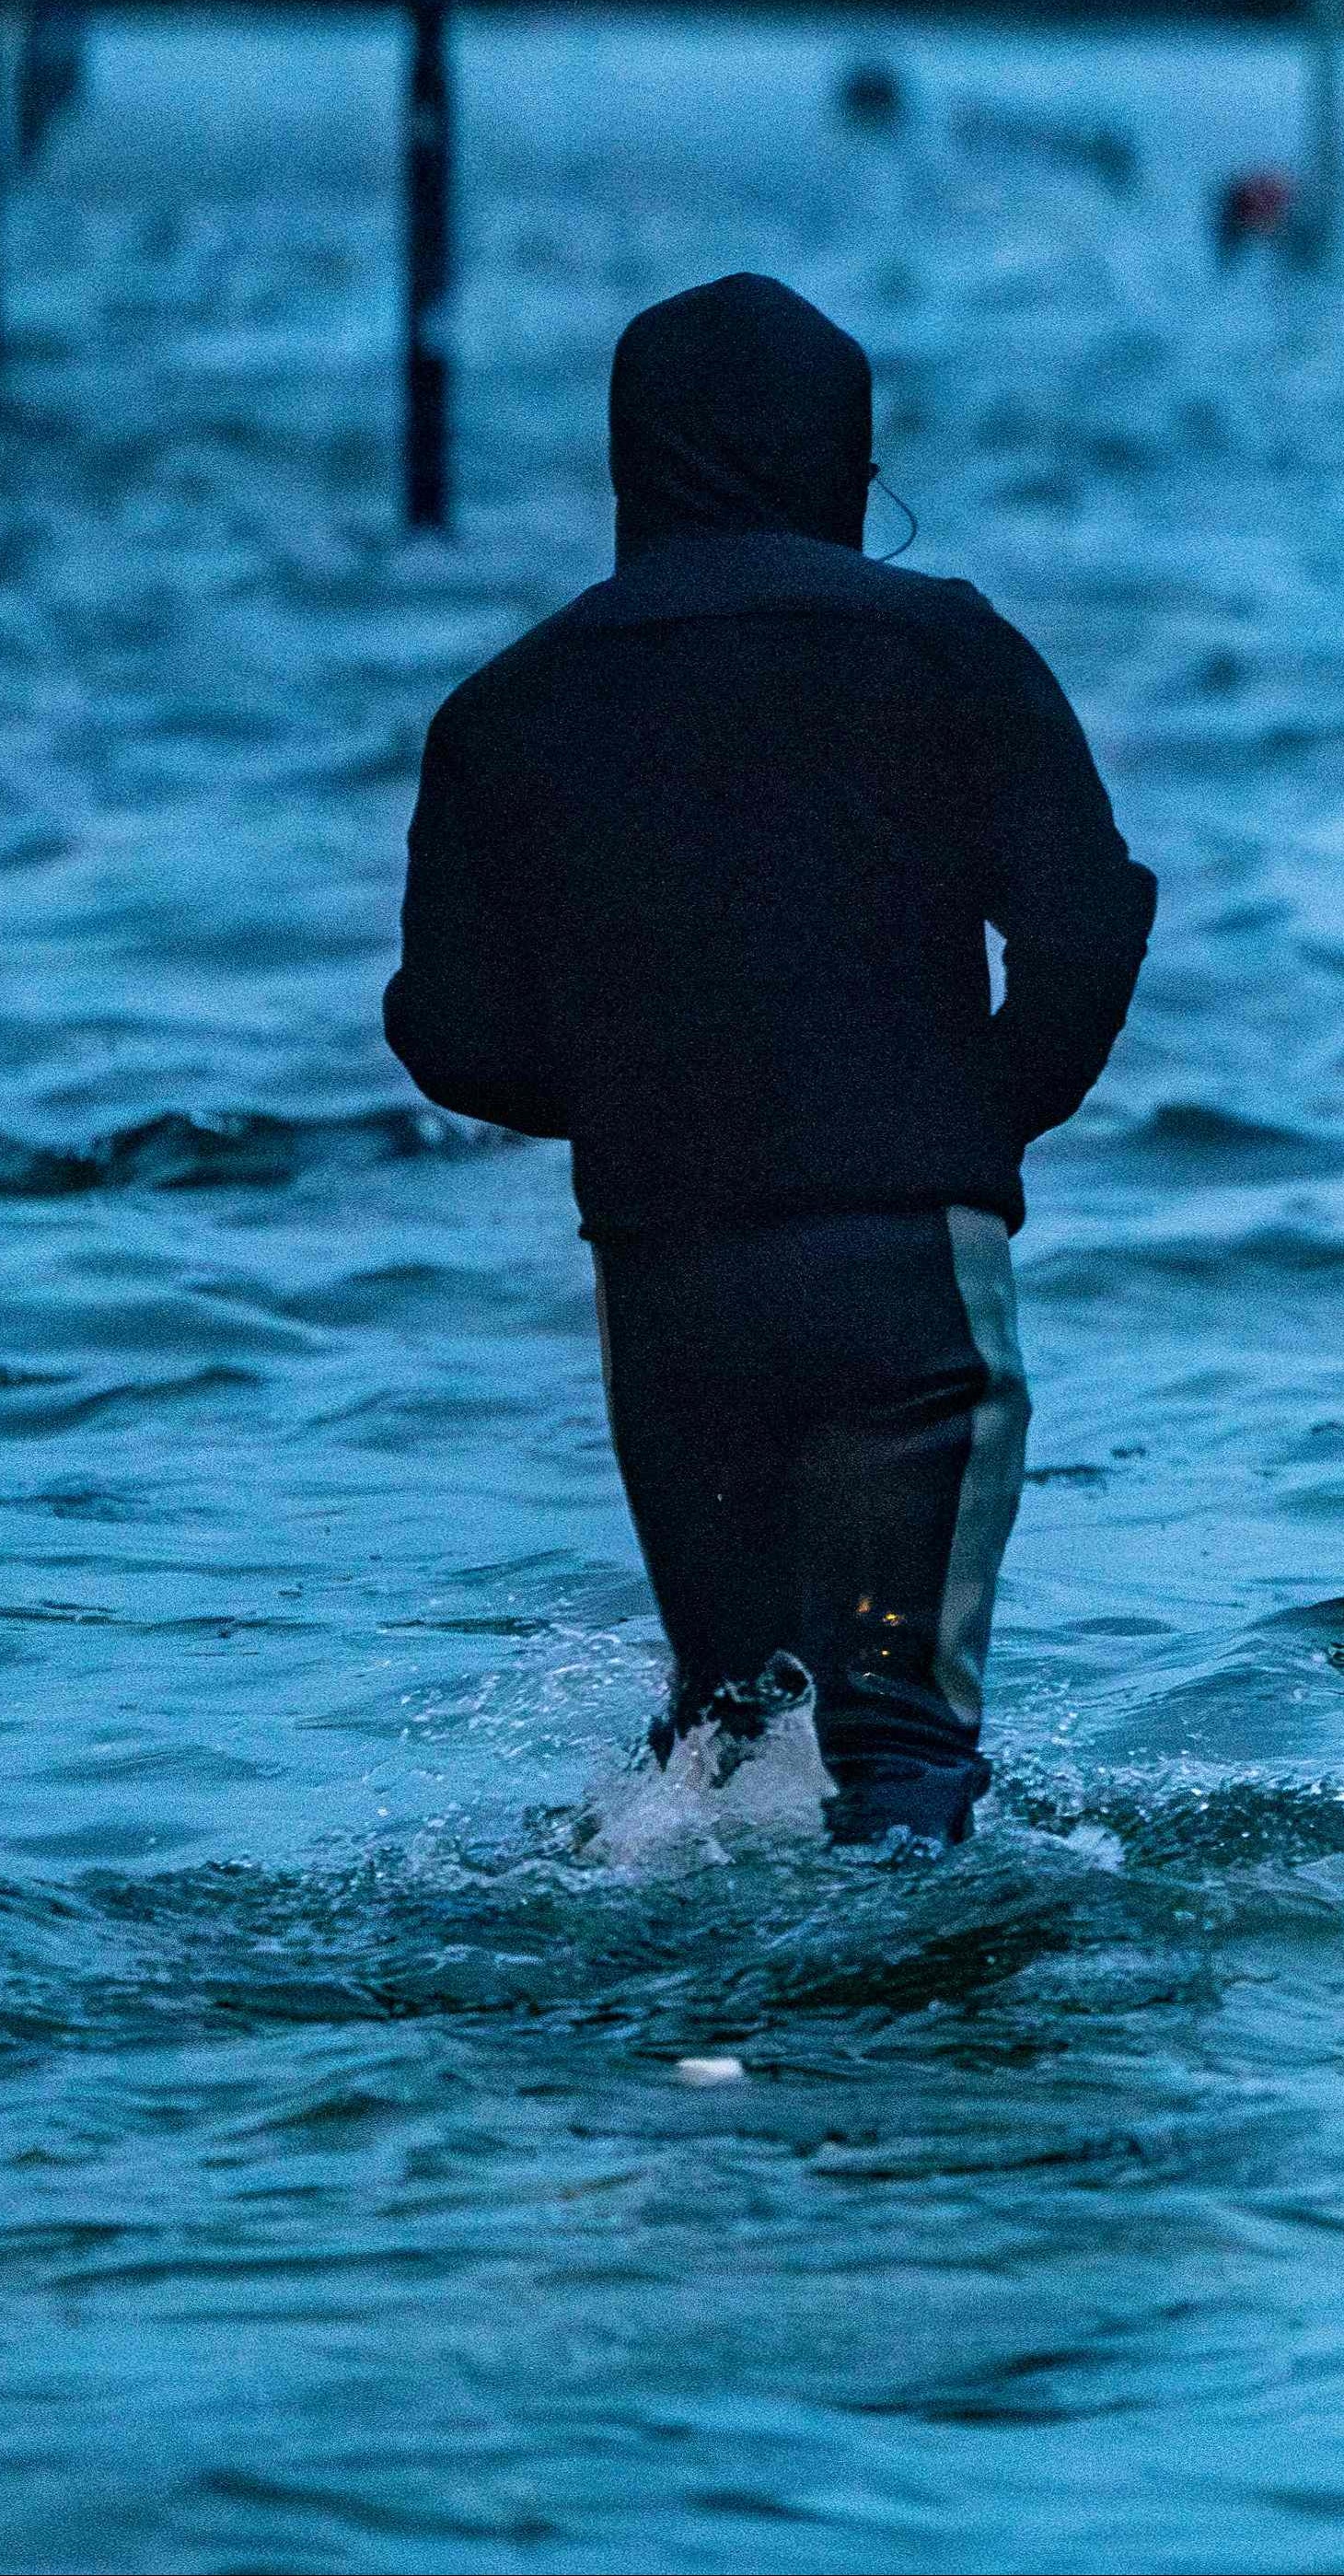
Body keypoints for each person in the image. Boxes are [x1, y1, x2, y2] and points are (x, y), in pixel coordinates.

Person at [385, 274, 1153, 1853]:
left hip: (667, 1285)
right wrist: (960, 1116)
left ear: (632, 471)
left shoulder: (506, 706)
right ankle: (895, 2055)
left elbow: (444, 1030)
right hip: (905, 1278)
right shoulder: (948, 648)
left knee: (727, 1743)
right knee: (902, 1756)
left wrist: (654, 1096)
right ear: (843, 466)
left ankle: (698, 2058)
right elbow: (1089, 926)